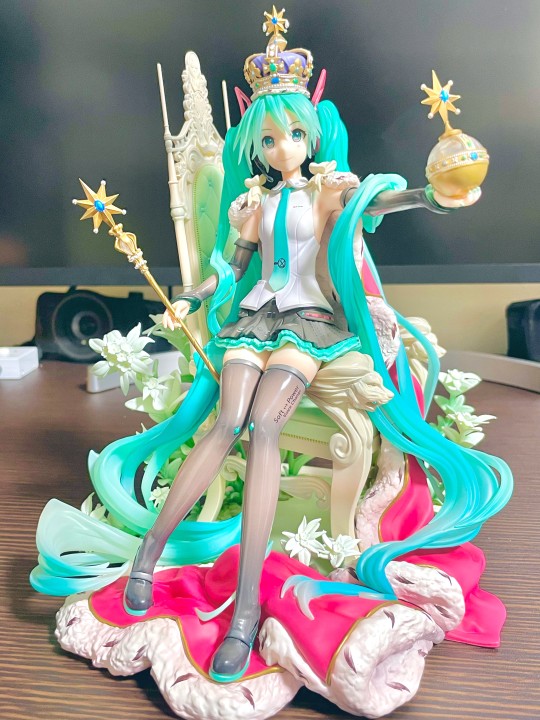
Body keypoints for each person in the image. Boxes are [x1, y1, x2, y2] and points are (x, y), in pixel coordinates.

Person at [30, 8, 512, 690]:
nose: (283, 149)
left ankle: (246, 609)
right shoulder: (252, 205)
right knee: (224, 421)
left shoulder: (332, 191)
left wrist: (435, 198)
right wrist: (195, 294)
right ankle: (148, 556)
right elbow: (232, 268)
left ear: (310, 135)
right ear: (256, 147)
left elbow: (384, 204)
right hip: (253, 320)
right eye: (269, 139)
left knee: (264, 427)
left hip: (310, 324)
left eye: (293, 135)